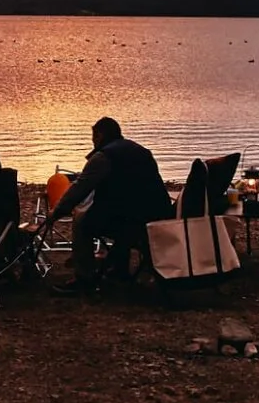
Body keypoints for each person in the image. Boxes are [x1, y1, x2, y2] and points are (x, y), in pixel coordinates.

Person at [30, 117, 170, 295]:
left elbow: (80, 188)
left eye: (93, 136)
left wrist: (56, 212)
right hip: (158, 217)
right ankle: (119, 270)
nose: (93, 141)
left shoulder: (104, 156)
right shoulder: (141, 151)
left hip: (132, 221)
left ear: (100, 135)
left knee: (82, 222)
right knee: (121, 217)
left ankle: (84, 278)